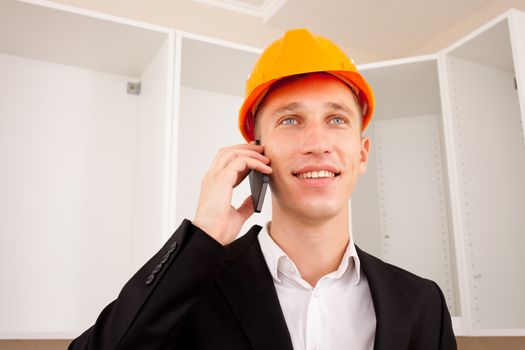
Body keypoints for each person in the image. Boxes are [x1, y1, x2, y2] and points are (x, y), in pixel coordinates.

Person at [69, 29, 456, 350]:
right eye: (290, 120)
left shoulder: (422, 302)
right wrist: (201, 238)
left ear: (362, 153)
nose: (317, 143)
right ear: (256, 152)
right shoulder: (191, 289)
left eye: (336, 119)